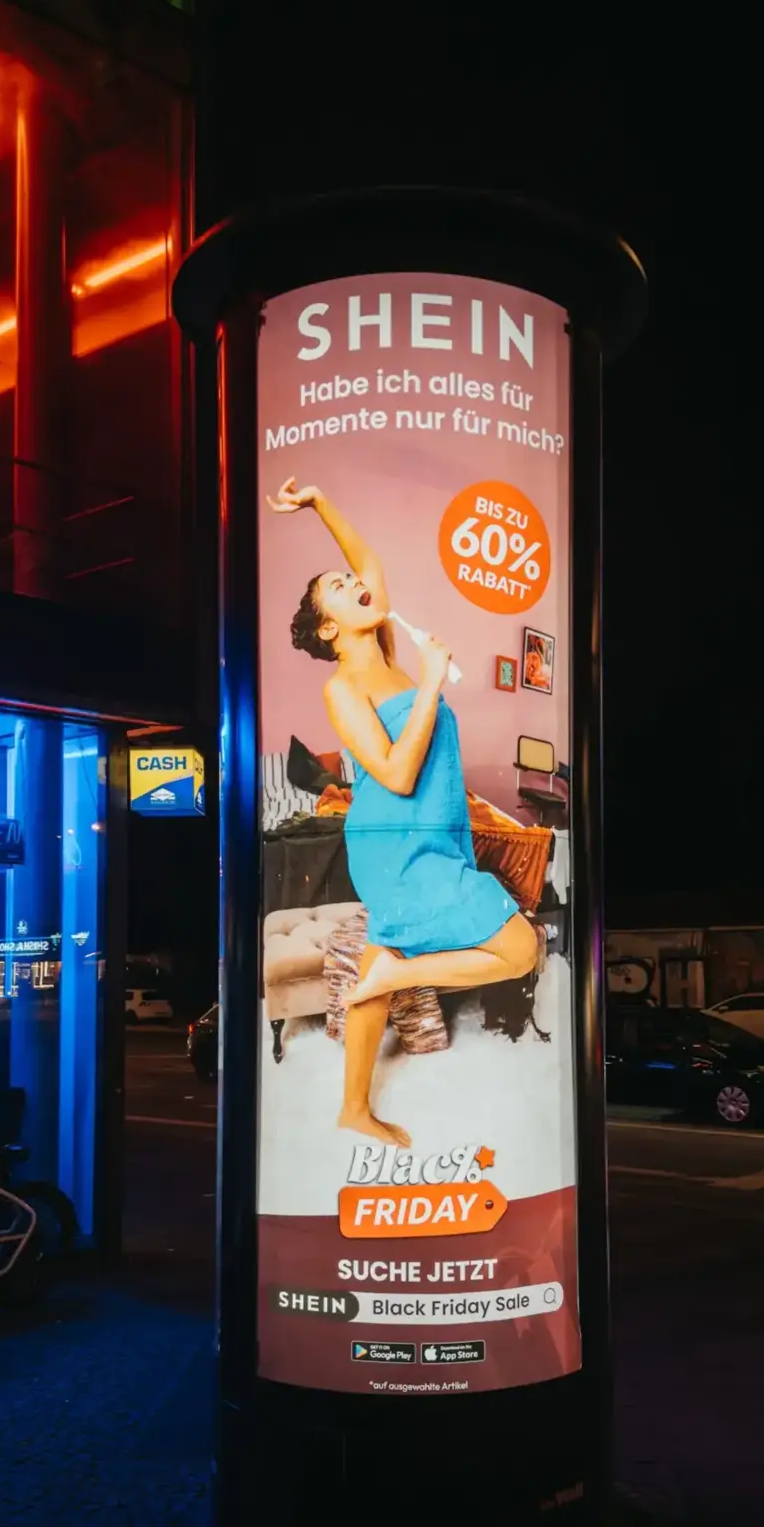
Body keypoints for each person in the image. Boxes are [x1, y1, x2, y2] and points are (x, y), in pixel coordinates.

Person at [271, 475, 539, 1147]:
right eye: (335, 589)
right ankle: (396, 986)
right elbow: (394, 770)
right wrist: (430, 683)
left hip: (435, 834)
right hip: (395, 842)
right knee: (521, 949)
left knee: (376, 964)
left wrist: (320, 503)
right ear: (328, 628)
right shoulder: (345, 686)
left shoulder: (386, 652)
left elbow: (370, 565)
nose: (354, 584)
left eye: (347, 580)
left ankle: (353, 1105)